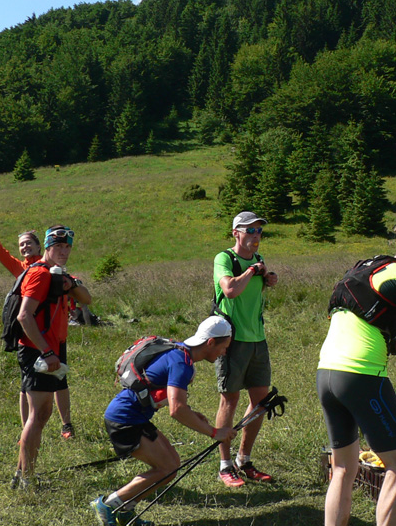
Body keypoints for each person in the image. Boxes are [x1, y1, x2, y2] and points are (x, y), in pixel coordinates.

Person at [317, 224, 396, 526]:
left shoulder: (368, 265)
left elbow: (368, 323)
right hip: (362, 375)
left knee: (343, 468)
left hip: (327, 371)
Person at [91, 316, 236, 526]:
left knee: (171, 466)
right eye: (224, 347)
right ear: (211, 342)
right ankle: (108, 505)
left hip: (133, 416)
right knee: (166, 468)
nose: (224, 353)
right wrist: (215, 432)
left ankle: (124, 511)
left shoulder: (179, 351)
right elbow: (177, 410)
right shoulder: (182, 363)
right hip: (125, 419)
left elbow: (173, 400)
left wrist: (193, 414)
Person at [0, 202, 86, 439]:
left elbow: (78, 289)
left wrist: (72, 284)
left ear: (41, 246)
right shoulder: (21, 268)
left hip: (56, 334)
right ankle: (27, 432)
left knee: (60, 381)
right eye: (21, 244)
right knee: (27, 386)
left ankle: (65, 425)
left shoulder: (53, 267)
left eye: (29, 243)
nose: (24, 247)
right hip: (33, 337)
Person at [13, 225, 91, 487]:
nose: (64, 251)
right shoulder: (40, 274)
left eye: (67, 246)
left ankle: (22, 473)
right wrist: (46, 352)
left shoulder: (58, 275)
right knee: (38, 416)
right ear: (46, 247)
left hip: (52, 347)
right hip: (38, 349)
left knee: (43, 414)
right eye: (58, 246)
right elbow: (24, 316)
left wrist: (70, 283)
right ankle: (26, 478)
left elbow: (87, 299)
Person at [212, 211, 279, 486]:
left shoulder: (258, 260)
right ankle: (225, 465)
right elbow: (230, 290)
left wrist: (268, 277)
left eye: (259, 230)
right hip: (232, 340)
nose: (256, 235)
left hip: (257, 339)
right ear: (236, 233)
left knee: (260, 402)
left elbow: (255, 290)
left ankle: (244, 460)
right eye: (250, 230)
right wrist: (252, 271)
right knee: (230, 400)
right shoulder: (225, 259)